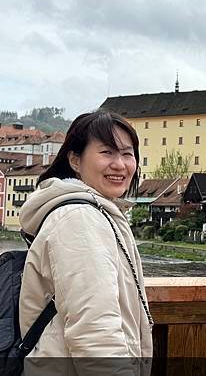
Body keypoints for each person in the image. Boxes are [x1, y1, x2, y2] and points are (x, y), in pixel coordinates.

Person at [18, 110, 153, 375]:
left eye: (127, 154)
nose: (120, 164)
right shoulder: (79, 218)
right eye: (106, 153)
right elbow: (95, 331)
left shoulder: (98, 212)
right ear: (75, 160)